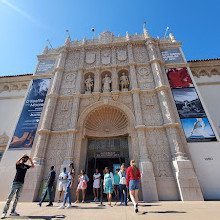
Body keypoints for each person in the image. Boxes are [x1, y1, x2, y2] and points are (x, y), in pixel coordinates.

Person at [1, 154, 34, 219]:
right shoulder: (18, 165)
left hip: (21, 183)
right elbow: (17, 162)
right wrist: (22, 157)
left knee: (17, 198)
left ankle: (12, 211)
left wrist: (30, 160)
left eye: (26, 159)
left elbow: (32, 166)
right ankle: (4, 212)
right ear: (22, 159)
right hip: (15, 182)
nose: (25, 159)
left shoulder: (25, 166)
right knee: (10, 197)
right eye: (25, 158)